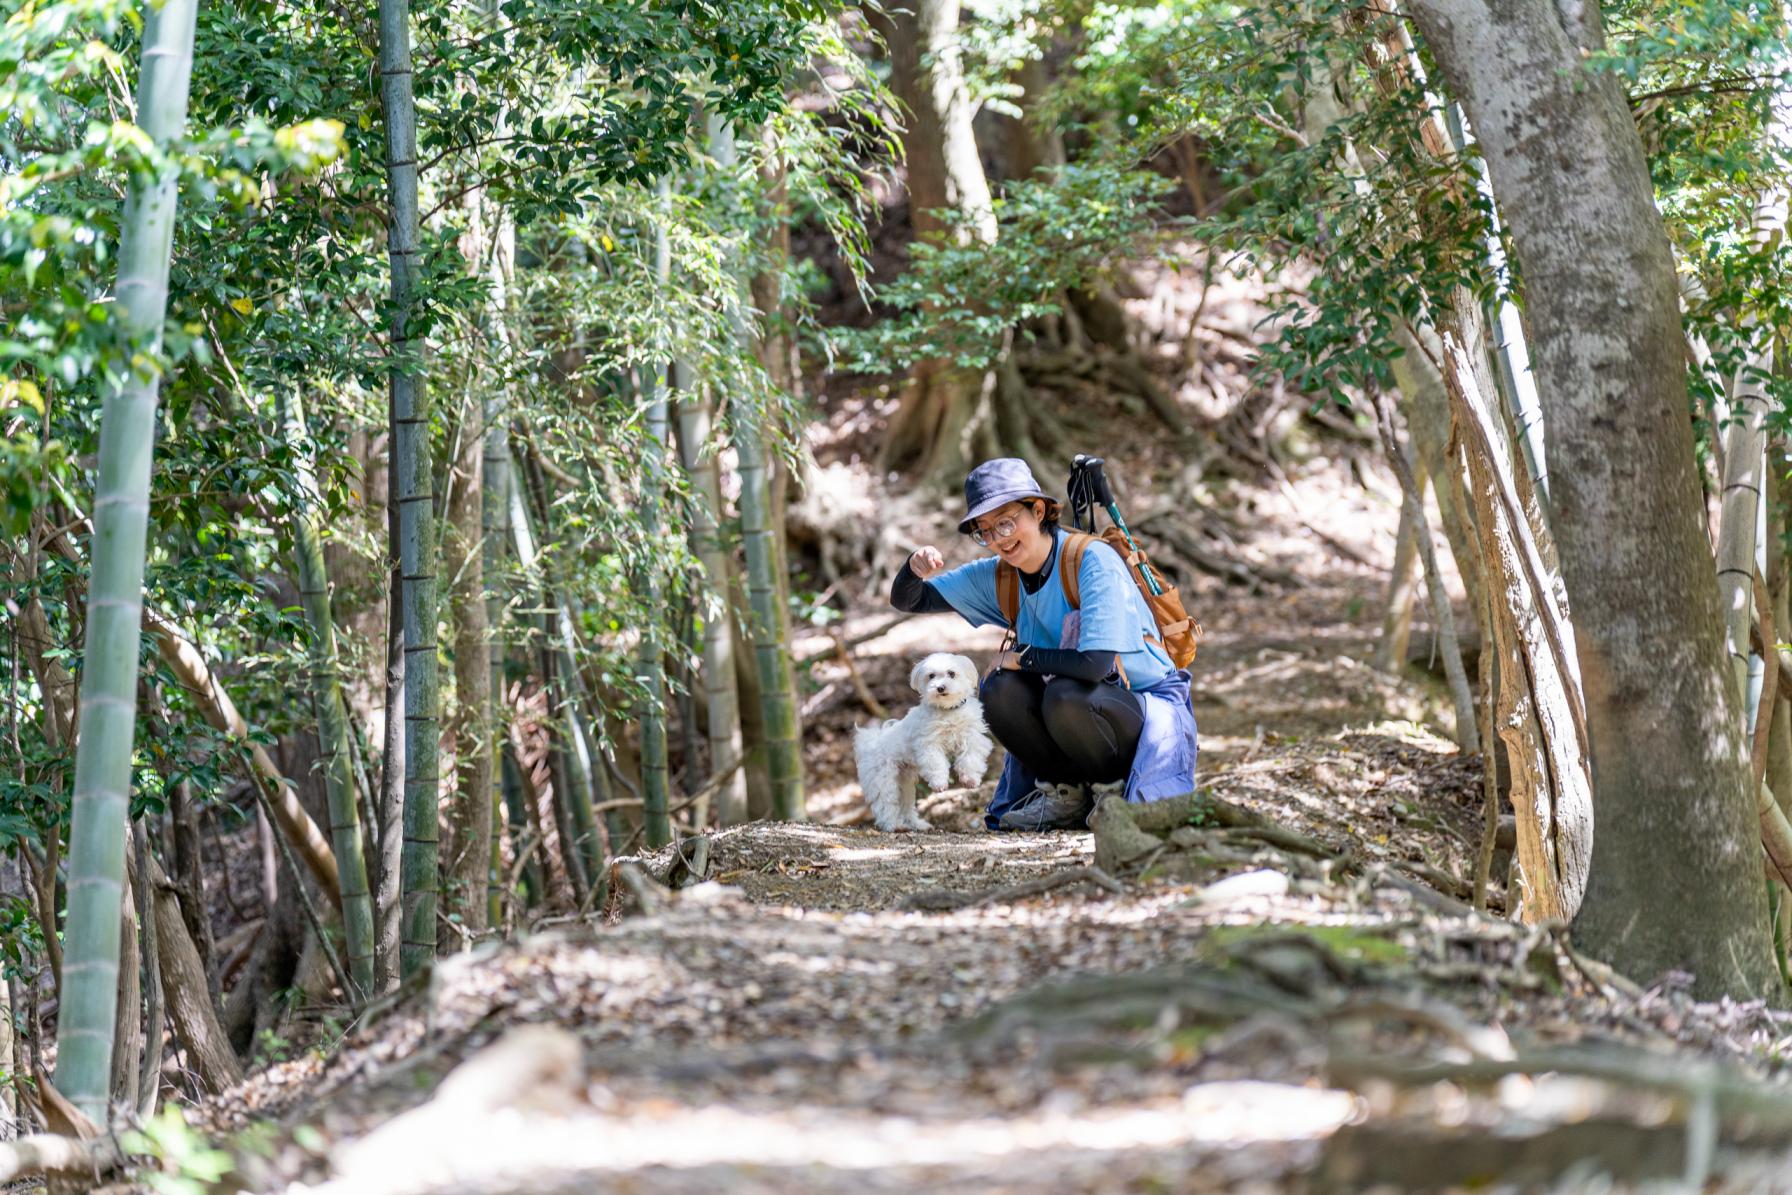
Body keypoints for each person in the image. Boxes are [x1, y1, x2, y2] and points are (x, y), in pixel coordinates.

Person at [889, 458, 1198, 831]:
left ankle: (1111, 796)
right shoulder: (1000, 575)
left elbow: (1095, 665)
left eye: (1006, 522)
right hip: (1075, 711)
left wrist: (1022, 658)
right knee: (998, 689)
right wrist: (913, 566)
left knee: (1065, 693)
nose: (999, 538)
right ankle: (1064, 796)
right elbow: (911, 600)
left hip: (1142, 708)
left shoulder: (1091, 560)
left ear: (1037, 511)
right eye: (984, 531)